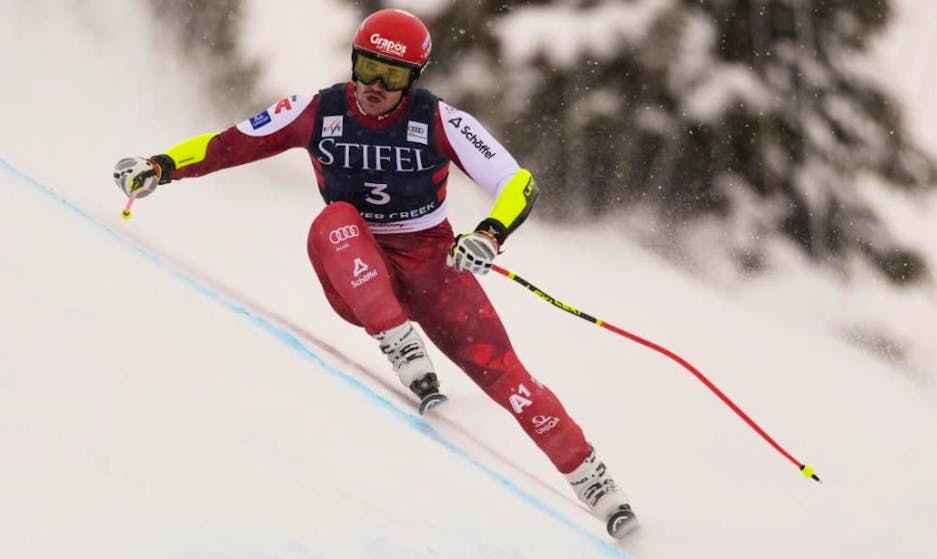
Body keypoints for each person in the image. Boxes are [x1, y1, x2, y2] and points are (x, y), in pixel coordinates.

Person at [112, 8, 638, 538]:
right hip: (354, 265)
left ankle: (596, 484)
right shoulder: (316, 110)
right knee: (337, 220)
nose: (374, 85)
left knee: (509, 377)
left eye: (392, 76)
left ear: (415, 78)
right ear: (353, 61)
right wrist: (159, 166)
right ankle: (399, 342)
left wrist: (488, 234)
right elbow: (228, 144)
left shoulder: (440, 120)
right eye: (366, 67)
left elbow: (516, 181)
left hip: (432, 262)